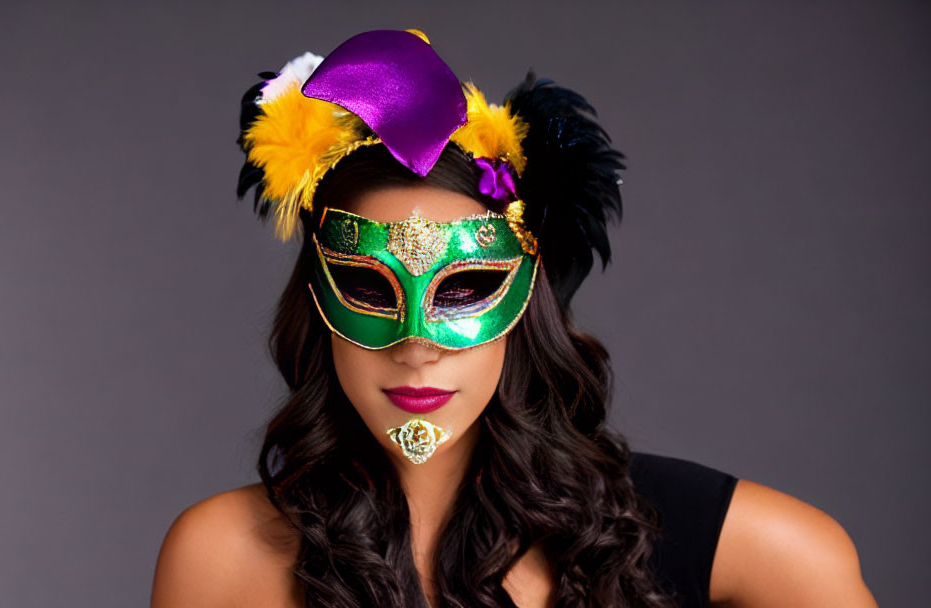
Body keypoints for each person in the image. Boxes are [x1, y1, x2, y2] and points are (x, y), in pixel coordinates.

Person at [150, 29, 878, 607]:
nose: (417, 343)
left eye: (464, 289)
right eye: (371, 288)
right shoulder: (220, 558)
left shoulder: (719, 540)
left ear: (527, 301)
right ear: (316, 300)